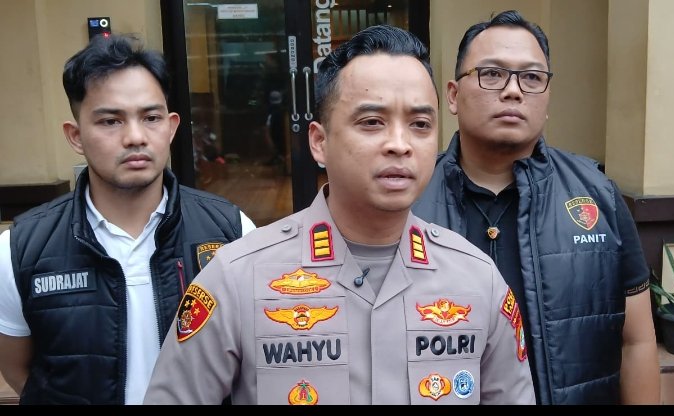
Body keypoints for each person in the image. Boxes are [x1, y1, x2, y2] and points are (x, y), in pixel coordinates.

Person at [143, 25, 535, 405]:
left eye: (420, 125)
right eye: (372, 122)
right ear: (319, 141)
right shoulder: (237, 278)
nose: (399, 144)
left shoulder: (476, 279)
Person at [413, 10, 660, 405]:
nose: (513, 90)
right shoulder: (410, 201)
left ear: (546, 98)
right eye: (492, 74)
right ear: (453, 96)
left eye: (531, 78)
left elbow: (638, 341)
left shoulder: (598, 195)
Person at [0, 34, 256, 405]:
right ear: (76, 136)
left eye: (151, 118)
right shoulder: (20, 249)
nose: (135, 137)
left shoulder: (232, 231)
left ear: (171, 127)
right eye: (110, 121)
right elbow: (18, 369)